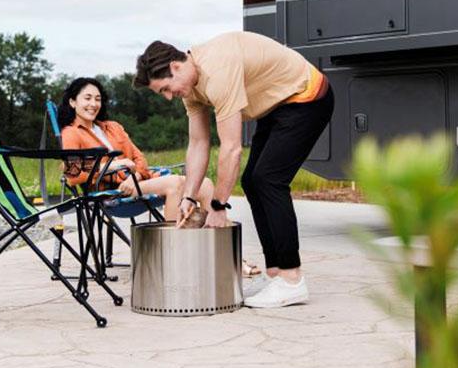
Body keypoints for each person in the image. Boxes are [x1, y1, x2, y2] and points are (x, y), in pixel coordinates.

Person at [134, 31, 334, 309]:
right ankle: (275, 273)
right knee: (253, 182)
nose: (169, 97)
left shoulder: (217, 70)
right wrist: (189, 198)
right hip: (276, 106)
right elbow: (198, 143)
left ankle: (292, 279)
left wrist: (218, 205)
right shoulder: (190, 89)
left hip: (307, 96)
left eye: (166, 88)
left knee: (269, 180)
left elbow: (231, 149)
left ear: (175, 67)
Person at [57, 77, 214, 222]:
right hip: (111, 193)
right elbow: (72, 175)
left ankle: (206, 241)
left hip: (137, 183)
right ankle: (173, 246)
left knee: (205, 184)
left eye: (97, 99)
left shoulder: (113, 127)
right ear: (72, 102)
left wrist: (135, 177)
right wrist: (110, 166)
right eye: (87, 98)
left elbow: (139, 158)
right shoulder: (71, 133)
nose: (93, 104)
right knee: (174, 183)